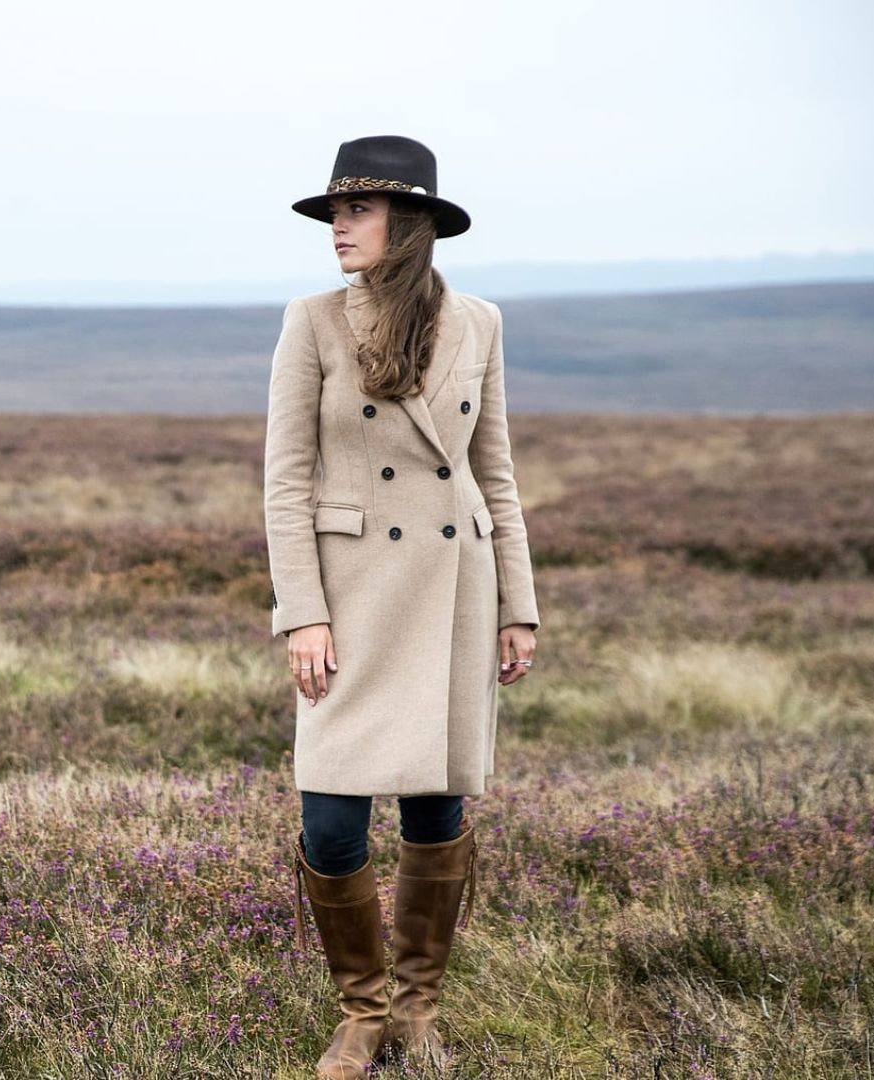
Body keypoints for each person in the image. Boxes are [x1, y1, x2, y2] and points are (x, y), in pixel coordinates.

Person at [263, 135, 540, 1080]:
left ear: (408, 223)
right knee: (331, 819)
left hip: (455, 585)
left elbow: (493, 472)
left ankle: (414, 1012)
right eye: (335, 213)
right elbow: (285, 481)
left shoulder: (481, 323)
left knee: (436, 806)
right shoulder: (311, 322)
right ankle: (360, 1011)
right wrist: (302, 611)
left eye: (357, 211)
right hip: (349, 597)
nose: (338, 227)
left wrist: (519, 605)